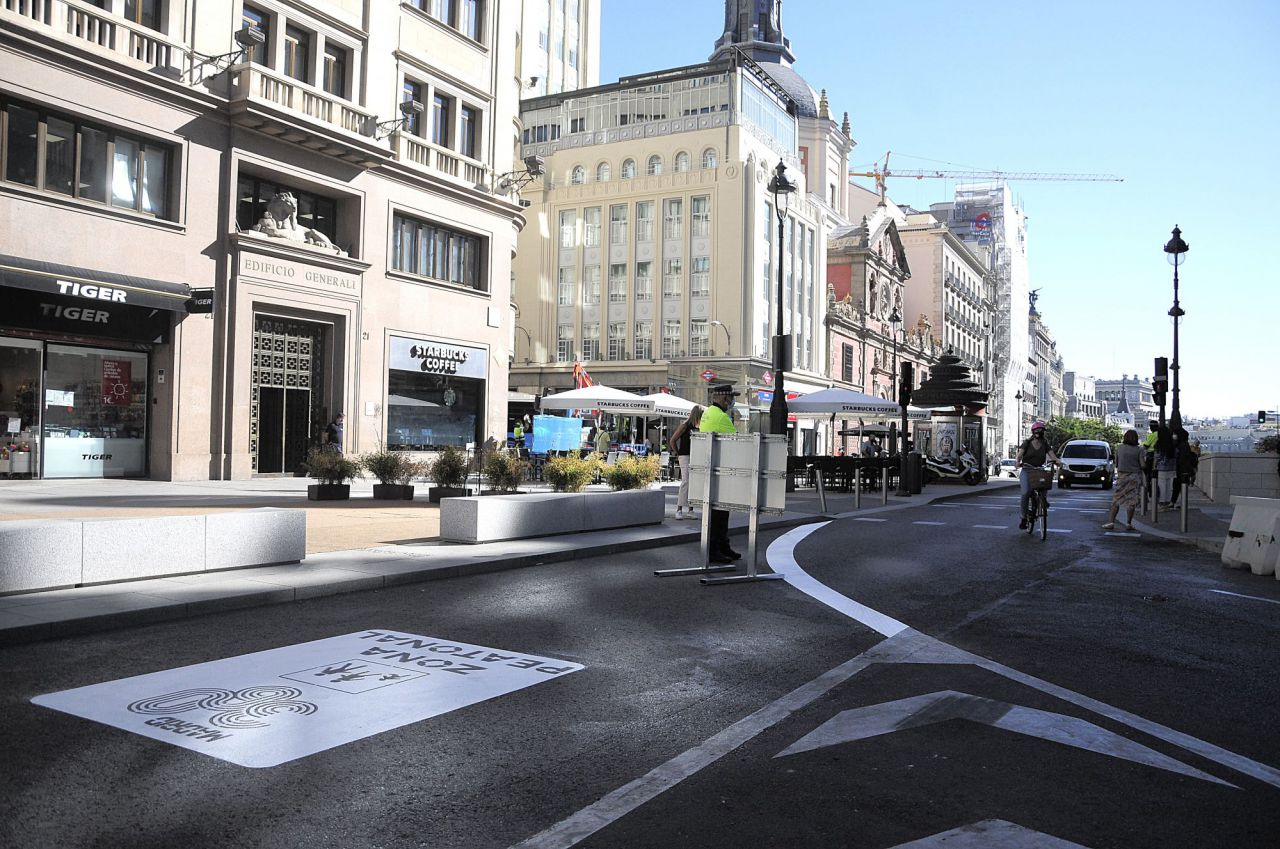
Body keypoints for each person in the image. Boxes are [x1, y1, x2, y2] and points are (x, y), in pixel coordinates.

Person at [699, 384, 741, 563]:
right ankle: (715, 549)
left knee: (720, 512)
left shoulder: (708, 413)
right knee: (720, 514)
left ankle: (723, 545)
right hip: (722, 469)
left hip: (713, 467)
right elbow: (736, 441)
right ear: (724, 399)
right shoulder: (721, 417)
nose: (732, 401)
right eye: (731, 398)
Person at [1015, 421, 1059, 529]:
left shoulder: (1045, 444)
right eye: (1037, 431)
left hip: (1039, 469)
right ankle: (1024, 518)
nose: (1039, 433)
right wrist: (1017, 462)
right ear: (1033, 432)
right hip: (1027, 469)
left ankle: (1043, 500)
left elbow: (1052, 455)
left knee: (1044, 484)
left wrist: (1058, 461)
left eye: (1041, 431)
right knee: (1025, 493)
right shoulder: (1027, 443)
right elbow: (1019, 454)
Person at [668, 405, 704, 520]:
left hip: (696, 456)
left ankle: (690, 509)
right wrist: (678, 452)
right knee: (686, 481)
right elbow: (673, 440)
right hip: (685, 455)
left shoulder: (700, 427)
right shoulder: (685, 426)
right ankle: (679, 509)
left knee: (694, 483)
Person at [1103, 429, 1143, 529]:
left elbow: (1117, 461)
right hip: (1134, 477)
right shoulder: (1139, 450)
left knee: (1116, 499)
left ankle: (1111, 522)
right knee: (1131, 500)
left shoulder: (1119, 448)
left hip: (1122, 476)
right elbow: (1142, 464)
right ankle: (1129, 523)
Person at [1169, 427, 1197, 508]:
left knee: (1178, 487)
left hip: (1182, 470)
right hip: (1182, 470)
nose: (1174, 436)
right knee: (1177, 487)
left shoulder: (1183, 445)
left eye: (1175, 434)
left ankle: (1177, 503)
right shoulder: (1183, 444)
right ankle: (1174, 502)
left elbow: (1184, 458)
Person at [1154, 425, 1177, 506]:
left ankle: (1162, 502)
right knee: (1170, 486)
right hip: (1172, 468)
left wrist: (1154, 466)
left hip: (1161, 468)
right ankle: (1168, 501)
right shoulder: (1173, 443)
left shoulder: (1159, 443)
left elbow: (1157, 457)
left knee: (1162, 485)